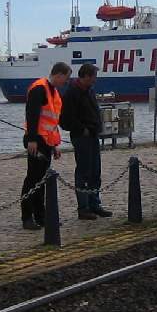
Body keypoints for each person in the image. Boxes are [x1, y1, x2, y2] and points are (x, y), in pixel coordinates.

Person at [60, 62, 112, 219]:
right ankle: (83, 207)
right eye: (93, 77)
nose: (95, 80)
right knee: (84, 172)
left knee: (95, 171)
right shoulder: (72, 93)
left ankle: (94, 204)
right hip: (82, 137)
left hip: (93, 136)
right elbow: (65, 119)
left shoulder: (89, 91)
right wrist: (83, 129)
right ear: (86, 76)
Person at [21, 62, 69, 230]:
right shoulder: (40, 89)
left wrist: (55, 145)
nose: (66, 82)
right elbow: (32, 115)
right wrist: (32, 139)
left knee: (41, 181)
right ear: (59, 74)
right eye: (66, 78)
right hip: (37, 140)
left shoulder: (53, 92)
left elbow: (52, 122)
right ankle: (27, 216)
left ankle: (41, 216)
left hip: (46, 141)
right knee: (33, 179)